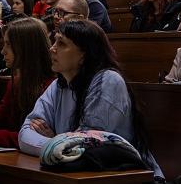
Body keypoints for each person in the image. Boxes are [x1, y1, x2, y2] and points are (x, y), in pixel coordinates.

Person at [19, 20, 159, 173]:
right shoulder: (58, 85)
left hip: (126, 179)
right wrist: (56, 144)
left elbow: (87, 145)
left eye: (62, 43)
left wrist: (57, 143)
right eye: (54, 41)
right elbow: (25, 133)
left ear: (84, 54)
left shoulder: (108, 80)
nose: (52, 48)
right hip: (83, 175)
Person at [0, 18, 54, 148]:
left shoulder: (51, 85)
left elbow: (29, 138)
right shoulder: (17, 83)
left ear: (26, 47)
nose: (3, 51)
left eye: (8, 44)